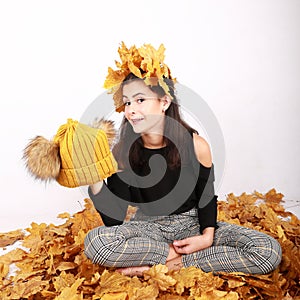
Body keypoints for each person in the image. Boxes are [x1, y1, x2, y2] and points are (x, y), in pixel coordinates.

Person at [84, 42, 282, 276]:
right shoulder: (122, 153)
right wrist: (94, 180)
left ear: (164, 102)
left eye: (140, 100)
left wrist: (207, 236)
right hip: (147, 229)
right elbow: (115, 219)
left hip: (192, 224)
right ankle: (168, 258)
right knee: (95, 243)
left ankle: (164, 267)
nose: (130, 110)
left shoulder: (196, 146)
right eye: (127, 102)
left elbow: (206, 195)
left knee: (267, 251)